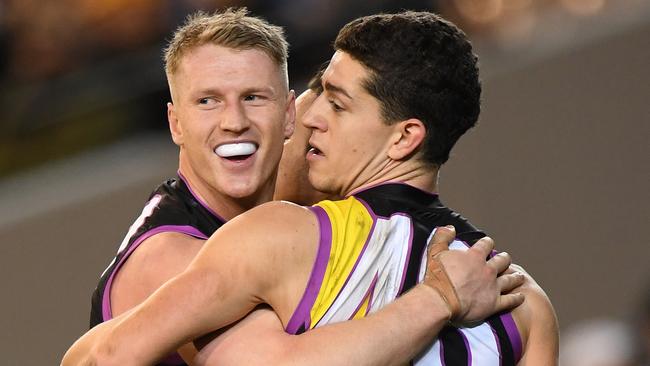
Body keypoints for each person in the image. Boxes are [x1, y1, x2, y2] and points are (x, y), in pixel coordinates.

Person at [72, 9, 524, 366]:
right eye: (207, 101)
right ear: (176, 122)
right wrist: (439, 298)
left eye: (254, 97)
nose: (234, 122)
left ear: (289, 115)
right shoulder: (174, 254)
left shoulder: (291, 194)